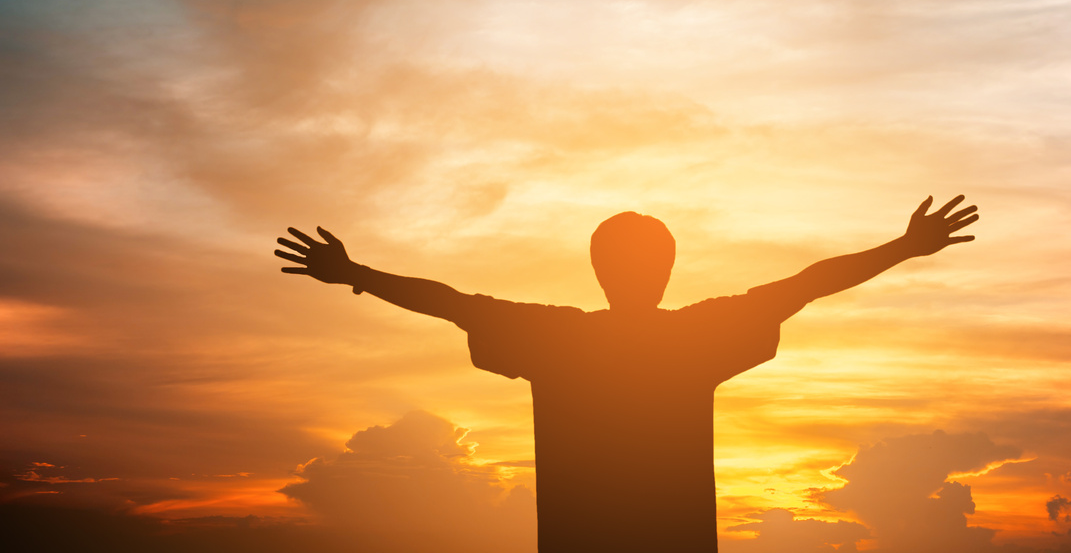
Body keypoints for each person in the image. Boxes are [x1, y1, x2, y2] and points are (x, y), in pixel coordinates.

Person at [276, 195, 978, 552]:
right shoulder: (697, 336)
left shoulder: (552, 337)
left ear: (598, 269)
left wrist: (355, 274)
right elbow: (806, 284)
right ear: (666, 270)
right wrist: (903, 247)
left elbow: (451, 303)